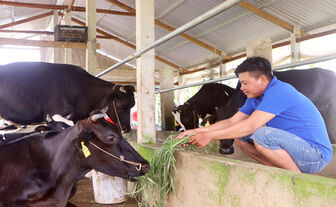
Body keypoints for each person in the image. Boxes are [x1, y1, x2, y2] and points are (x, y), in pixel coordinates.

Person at [176, 56, 332, 173]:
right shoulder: (256, 98)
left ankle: (297, 180)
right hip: (296, 149)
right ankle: (276, 171)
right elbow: (232, 122)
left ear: (262, 80)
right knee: (240, 138)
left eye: (245, 83)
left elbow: (250, 126)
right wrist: (196, 131)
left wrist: (210, 136)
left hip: (315, 155)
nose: (242, 88)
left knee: (261, 135)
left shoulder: (280, 91)